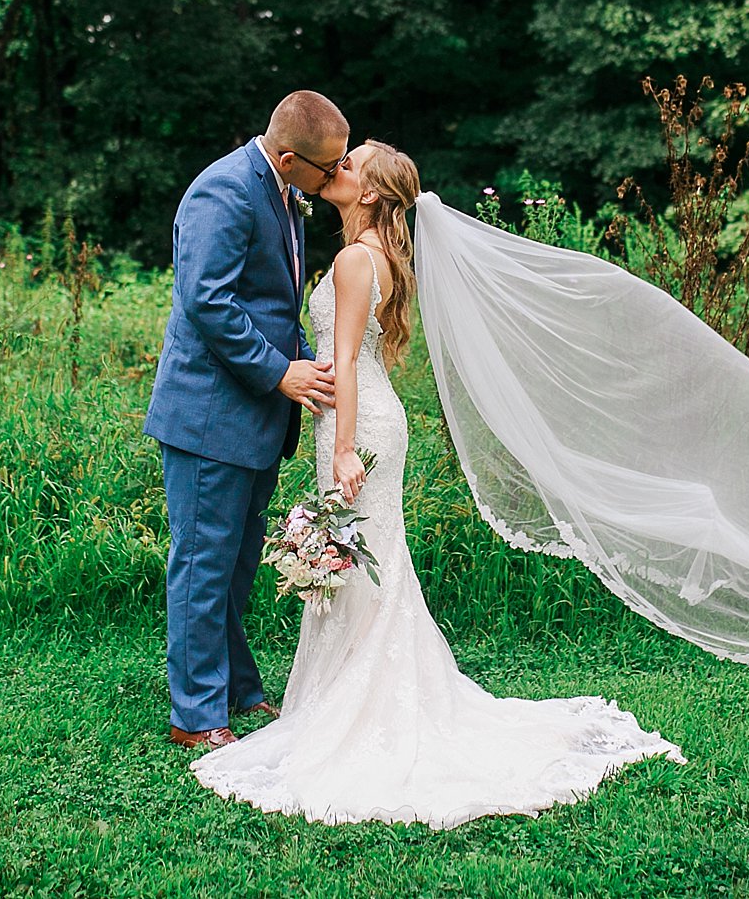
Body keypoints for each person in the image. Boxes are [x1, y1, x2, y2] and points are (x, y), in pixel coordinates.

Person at [187, 140, 688, 829]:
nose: (337, 167)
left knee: (363, 570)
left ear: (370, 194)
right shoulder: (371, 255)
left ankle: (362, 707)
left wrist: (339, 451)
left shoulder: (357, 260)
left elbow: (350, 369)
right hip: (360, 425)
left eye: (350, 164)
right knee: (365, 568)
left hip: (358, 433)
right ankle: (340, 694)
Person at [143, 90, 348, 750]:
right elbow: (207, 301)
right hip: (209, 416)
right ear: (290, 158)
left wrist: (313, 364)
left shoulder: (285, 194)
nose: (336, 177)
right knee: (202, 564)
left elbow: (270, 304)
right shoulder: (223, 191)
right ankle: (195, 715)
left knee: (232, 566)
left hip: (255, 420)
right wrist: (280, 372)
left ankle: (234, 686)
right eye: (329, 167)